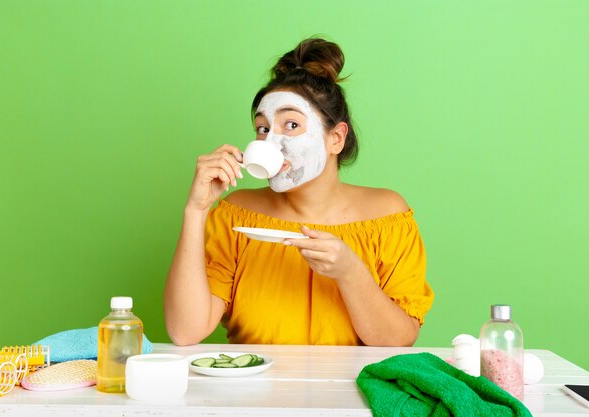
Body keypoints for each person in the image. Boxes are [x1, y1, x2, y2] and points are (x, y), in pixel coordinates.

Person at [164, 38, 434, 347]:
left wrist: (350, 272)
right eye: (263, 128)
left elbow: (398, 341)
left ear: (336, 138)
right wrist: (196, 211)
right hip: (253, 393)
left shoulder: (387, 216)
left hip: (351, 393)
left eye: (291, 124)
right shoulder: (235, 216)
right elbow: (185, 331)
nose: (269, 142)